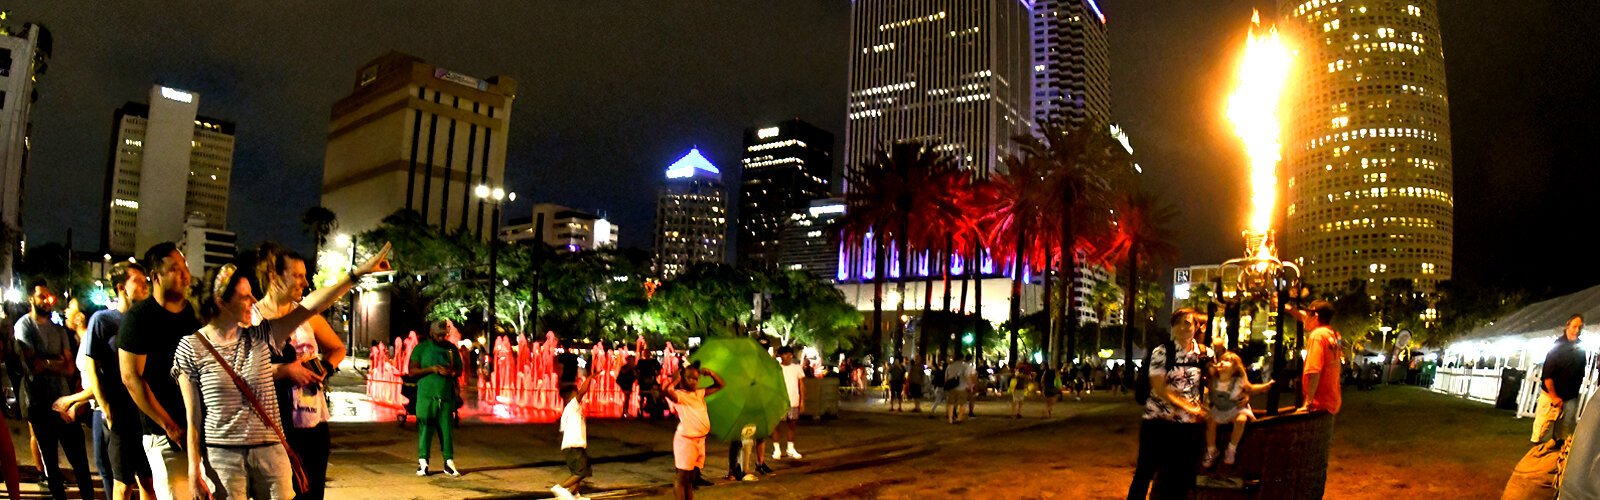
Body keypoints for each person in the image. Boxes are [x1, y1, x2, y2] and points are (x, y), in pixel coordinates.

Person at [175, 245, 387, 499]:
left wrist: (357, 274)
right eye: (244, 296)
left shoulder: (260, 336)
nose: (253, 301)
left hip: (270, 452)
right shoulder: (191, 347)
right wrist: (193, 469)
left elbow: (311, 308)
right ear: (222, 303)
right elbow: (193, 417)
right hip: (223, 456)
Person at [255, 244, 344, 499]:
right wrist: (283, 371)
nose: (305, 282)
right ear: (275, 276)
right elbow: (238, 371)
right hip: (271, 422)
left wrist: (324, 368)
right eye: (298, 275)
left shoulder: (307, 315)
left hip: (311, 420)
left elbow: (337, 348)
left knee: (312, 491)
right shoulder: (252, 318)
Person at [119, 243, 203, 500]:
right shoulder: (139, 318)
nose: (184, 274)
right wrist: (170, 426)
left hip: (201, 431)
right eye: (174, 269)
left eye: (185, 267)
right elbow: (131, 378)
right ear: (156, 277)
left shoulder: (196, 315)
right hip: (164, 435)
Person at [15, 280, 95, 500]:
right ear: (31, 298)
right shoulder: (24, 326)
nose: (47, 301)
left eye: (49, 296)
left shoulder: (59, 329)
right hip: (39, 403)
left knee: (79, 460)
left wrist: (48, 363)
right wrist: (56, 361)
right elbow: (33, 365)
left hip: (64, 402)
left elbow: (70, 368)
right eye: (41, 296)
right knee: (50, 460)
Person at [84, 262, 156, 500]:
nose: (145, 283)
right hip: (121, 414)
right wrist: (106, 409)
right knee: (123, 484)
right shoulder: (103, 320)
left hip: (145, 412)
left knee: (149, 481)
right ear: (121, 287)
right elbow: (92, 368)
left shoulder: (148, 321)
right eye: (138, 280)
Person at [1127, 308, 1212, 500]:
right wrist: (1189, 407)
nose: (1182, 327)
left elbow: (1214, 383)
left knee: (1178, 476)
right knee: (1145, 472)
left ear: (1198, 327)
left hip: (1188, 427)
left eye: (1187, 323)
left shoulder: (1205, 354)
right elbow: (1159, 388)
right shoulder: (1162, 351)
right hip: (1158, 422)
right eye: (1177, 323)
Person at [1203, 337, 1273, 467]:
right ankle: (1211, 449)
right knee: (1210, 422)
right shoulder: (1214, 381)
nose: (1222, 363)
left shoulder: (1238, 381)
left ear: (1235, 368)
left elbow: (1251, 388)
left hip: (1235, 408)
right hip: (1219, 409)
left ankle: (1231, 448)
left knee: (1241, 420)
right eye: (1221, 361)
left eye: (1227, 362)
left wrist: (1265, 386)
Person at [411, 320, 464, 477]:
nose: (442, 338)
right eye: (438, 335)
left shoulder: (451, 349)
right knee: (425, 429)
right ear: (431, 334)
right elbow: (412, 371)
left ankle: (448, 462)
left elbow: (459, 370)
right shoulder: (421, 348)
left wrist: (452, 372)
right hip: (426, 397)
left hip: (446, 397)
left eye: (444, 335)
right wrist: (432, 369)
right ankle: (423, 463)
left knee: (446, 431)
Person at [664, 363, 724, 500]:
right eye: (689, 378)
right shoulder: (680, 395)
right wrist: (676, 380)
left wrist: (712, 374)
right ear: (682, 379)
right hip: (687, 441)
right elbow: (667, 391)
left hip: (700, 440)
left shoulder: (699, 393)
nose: (693, 381)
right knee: (682, 478)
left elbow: (720, 385)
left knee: (690, 478)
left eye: (696, 378)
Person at [1534, 314, 1585, 444]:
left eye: (1580, 327)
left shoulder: (1581, 348)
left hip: (1570, 399)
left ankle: (1559, 461)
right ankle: (1537, 461)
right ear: (1568, 326)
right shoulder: (1557, 346)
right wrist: (1555, 397)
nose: (1577, 330)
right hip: (1551, 397)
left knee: (1565, 437)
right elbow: (1547, 376)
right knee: (1542, 435)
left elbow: (1580, 373)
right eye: (1574, 327)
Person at [1288, 300, 1343, 415]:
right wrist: (1288, 308)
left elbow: (1314, 371)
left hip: (1319, 403)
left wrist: (1308, 403)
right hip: (1332, 400)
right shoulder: (1334, 334)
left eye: (1308, 314)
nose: (1305, 318)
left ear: (1316, 316)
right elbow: (1303, 318)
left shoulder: (1317, 336)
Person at [552, 372, 592, 500]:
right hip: (573, 446)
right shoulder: (572, 405)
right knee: (580, 472)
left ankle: (576, 495)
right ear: (570, 396)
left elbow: (563, 431)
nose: (578, 394)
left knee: (581, 471)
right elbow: (583, 391)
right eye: (576, 392)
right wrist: (590, 377)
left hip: (574, 446)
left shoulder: (569, 411)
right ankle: (560, 488)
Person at [773, 346, 804, 460]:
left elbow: (801, 385)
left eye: (789, 354)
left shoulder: (797, 368)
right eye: (784, 354)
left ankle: (790, 448)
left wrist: (802, 401)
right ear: (780, 356)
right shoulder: (776, 369)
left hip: (793, 401)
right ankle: (777, 449)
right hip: (779, 402)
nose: (788, 356)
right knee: (776, 426)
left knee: (792, 426)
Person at [944, 354, 973, 424]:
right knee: (962, 403)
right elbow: (967, 376)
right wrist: (971, 386)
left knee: (951, 403)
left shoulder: (950, 366)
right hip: (962, 387)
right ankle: (959, 418)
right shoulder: (964, 366)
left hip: (951, 387)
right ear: (962, 358)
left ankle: (950, 419)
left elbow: (946, 377)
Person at [636, 350, 664, 419]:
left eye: (647, 353)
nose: (646, 355)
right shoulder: (641, 362)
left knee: (654, 395)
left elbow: (660, 370)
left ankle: (653, 409)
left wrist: (655, 376)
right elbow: (637, 371)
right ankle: (641, 409)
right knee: (643, 396)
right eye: (645, 353)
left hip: (652, 381)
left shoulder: (653, 362)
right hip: (643, 382)